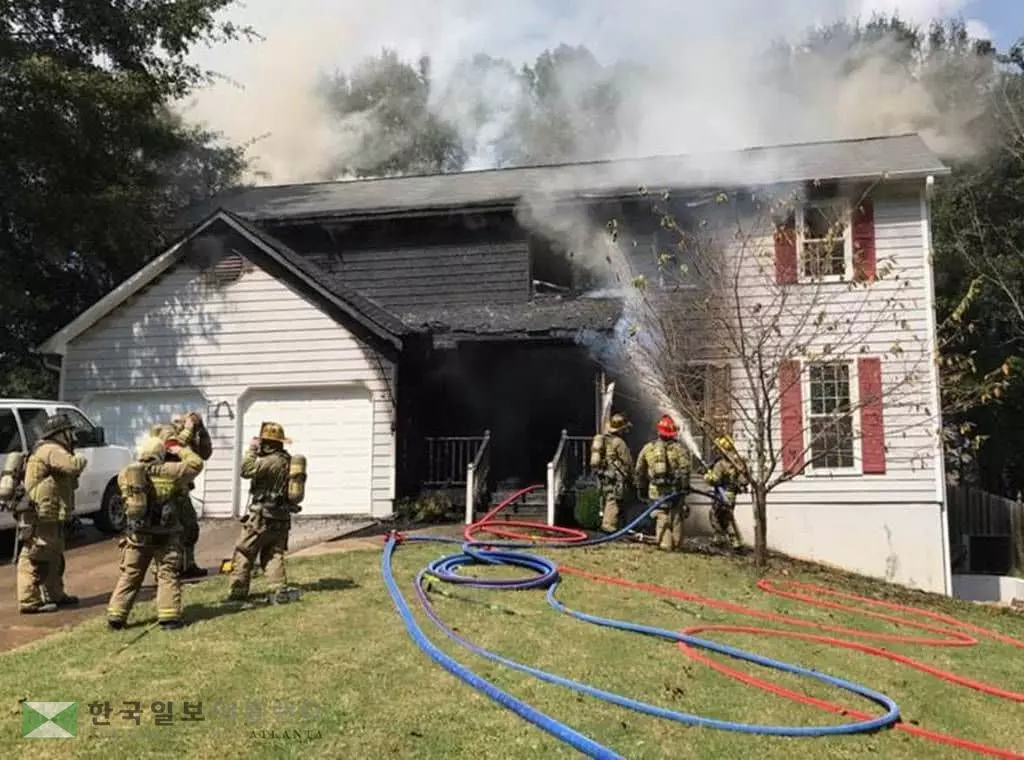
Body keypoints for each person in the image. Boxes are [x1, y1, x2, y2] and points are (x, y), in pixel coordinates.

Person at [106, 433, 204, 630]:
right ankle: (169, 617)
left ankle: (116, 616)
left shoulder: (127, 473)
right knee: (167, 574)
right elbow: (196, 463)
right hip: (167, 535)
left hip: (138, 534)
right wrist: (179, 449)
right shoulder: (171, 471)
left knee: (131, 574)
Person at [17, 414, 88, 614]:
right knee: (35, 555)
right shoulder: (51, 449)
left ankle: (55, 594)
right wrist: (81, 458)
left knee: (53, 554)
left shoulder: (51, 449)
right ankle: (29, 600)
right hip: (41, 512)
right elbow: (72, 466)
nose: (73, 436)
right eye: (70, 432)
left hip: (49, 511)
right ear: (61, 433)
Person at [226, 422, 302, 605]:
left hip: (261, 517)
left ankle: (238, 591)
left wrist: (251, 450)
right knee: (273, 553)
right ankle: (278, 590)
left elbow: (246, 470)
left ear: (268, 444)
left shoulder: (270, 461)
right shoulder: (287, 460)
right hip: (281, 516)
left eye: (262, 442)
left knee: (244, 551)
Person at [635, 415, 692, 552]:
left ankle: (665, 543)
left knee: (661, 515)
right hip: (675, 491)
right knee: (676, 516)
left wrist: (641, 489)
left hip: (655, 491)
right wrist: (685, 487)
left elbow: (639, 471)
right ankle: (677, 544)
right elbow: (685, 470)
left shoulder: (648, 448)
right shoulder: (680, 449)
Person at [169, 412, 212, 578]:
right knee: (171, 532)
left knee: (190, 528)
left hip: (182, 491)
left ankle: (188, 565)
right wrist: (187, 428)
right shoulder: (167, 435)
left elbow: (205, 453)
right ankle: (171, 568)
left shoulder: (189, 439)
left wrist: (201, 429)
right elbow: (173, 447)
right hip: (168, 492)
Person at [590, 412, 633, 534]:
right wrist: (632, 476)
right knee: (613, 500)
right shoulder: (619, 442)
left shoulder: (603, 439)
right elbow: (627, 462)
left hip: (604, 475)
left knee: (608, 497)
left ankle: (615, 525)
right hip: (616, 477)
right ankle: (608, 526)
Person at [704, 435, 747, 550]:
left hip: (722, 494)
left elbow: (715, 480)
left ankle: (728, 541)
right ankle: (728, 540)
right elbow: (743, 480)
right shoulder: (737, 462)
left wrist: (706, 476)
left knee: (715, 516)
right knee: (725, 517)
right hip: (731, 494)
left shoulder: (721, 464)